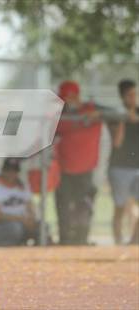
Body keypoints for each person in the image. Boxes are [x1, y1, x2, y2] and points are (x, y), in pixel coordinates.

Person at [54, 80, 102, 245]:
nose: (65, 102)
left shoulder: (91, 109)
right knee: (63, 207)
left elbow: (114, 112)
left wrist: (95, 114)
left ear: (76, 96)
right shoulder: (59, 115)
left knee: (84, 207)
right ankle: (65, 240)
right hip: (64, 170)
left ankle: (82, 239)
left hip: (86, 170)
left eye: (68, 98)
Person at [107, 79, 139, 244]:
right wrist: (124, 120)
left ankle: (134, 241)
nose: (133, 98)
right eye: (130, 95)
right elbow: (117, 142)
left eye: (135, 94)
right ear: (123, 97)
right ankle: (118, 242)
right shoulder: (116, 115)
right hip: (119, 167)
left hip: (137, 166)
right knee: (119, 206)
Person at [0, 158, 42, 246]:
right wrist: (21, 219)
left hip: (22, 222)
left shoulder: (22, 186)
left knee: (41, 226)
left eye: (14, 171)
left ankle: (39, 255)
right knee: (15, 228)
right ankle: (7, 254)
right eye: (9, 171)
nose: (11, 174)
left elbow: (30, 207)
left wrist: (31, 218)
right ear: (3, 171)